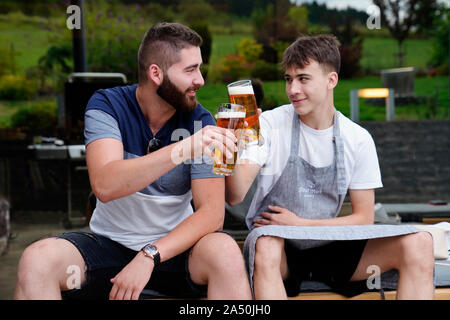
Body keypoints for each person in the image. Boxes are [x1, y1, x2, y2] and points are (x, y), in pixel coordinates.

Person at [14, 22, 252, 300]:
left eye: (200, 68)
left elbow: (212, 214)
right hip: (109, 247)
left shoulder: (201, 121)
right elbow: (105, 184)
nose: (200, 80)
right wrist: (183, 149)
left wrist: (150, 254)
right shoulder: (107, 105)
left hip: (175, 252)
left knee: (225, 250)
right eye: (191, 70)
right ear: (155, 73)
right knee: (36, 261)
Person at [225, 35, 435, 300]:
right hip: (280, 251)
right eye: (288, 79)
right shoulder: (268, 125)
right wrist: (231, 152)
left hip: (332, 246)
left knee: (420, 242)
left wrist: (300, 224)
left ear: (331, 80)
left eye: (303, 78)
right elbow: (234, 195)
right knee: (266, 244)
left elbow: (363, 218)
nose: (293, 89)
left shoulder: (357, 138)